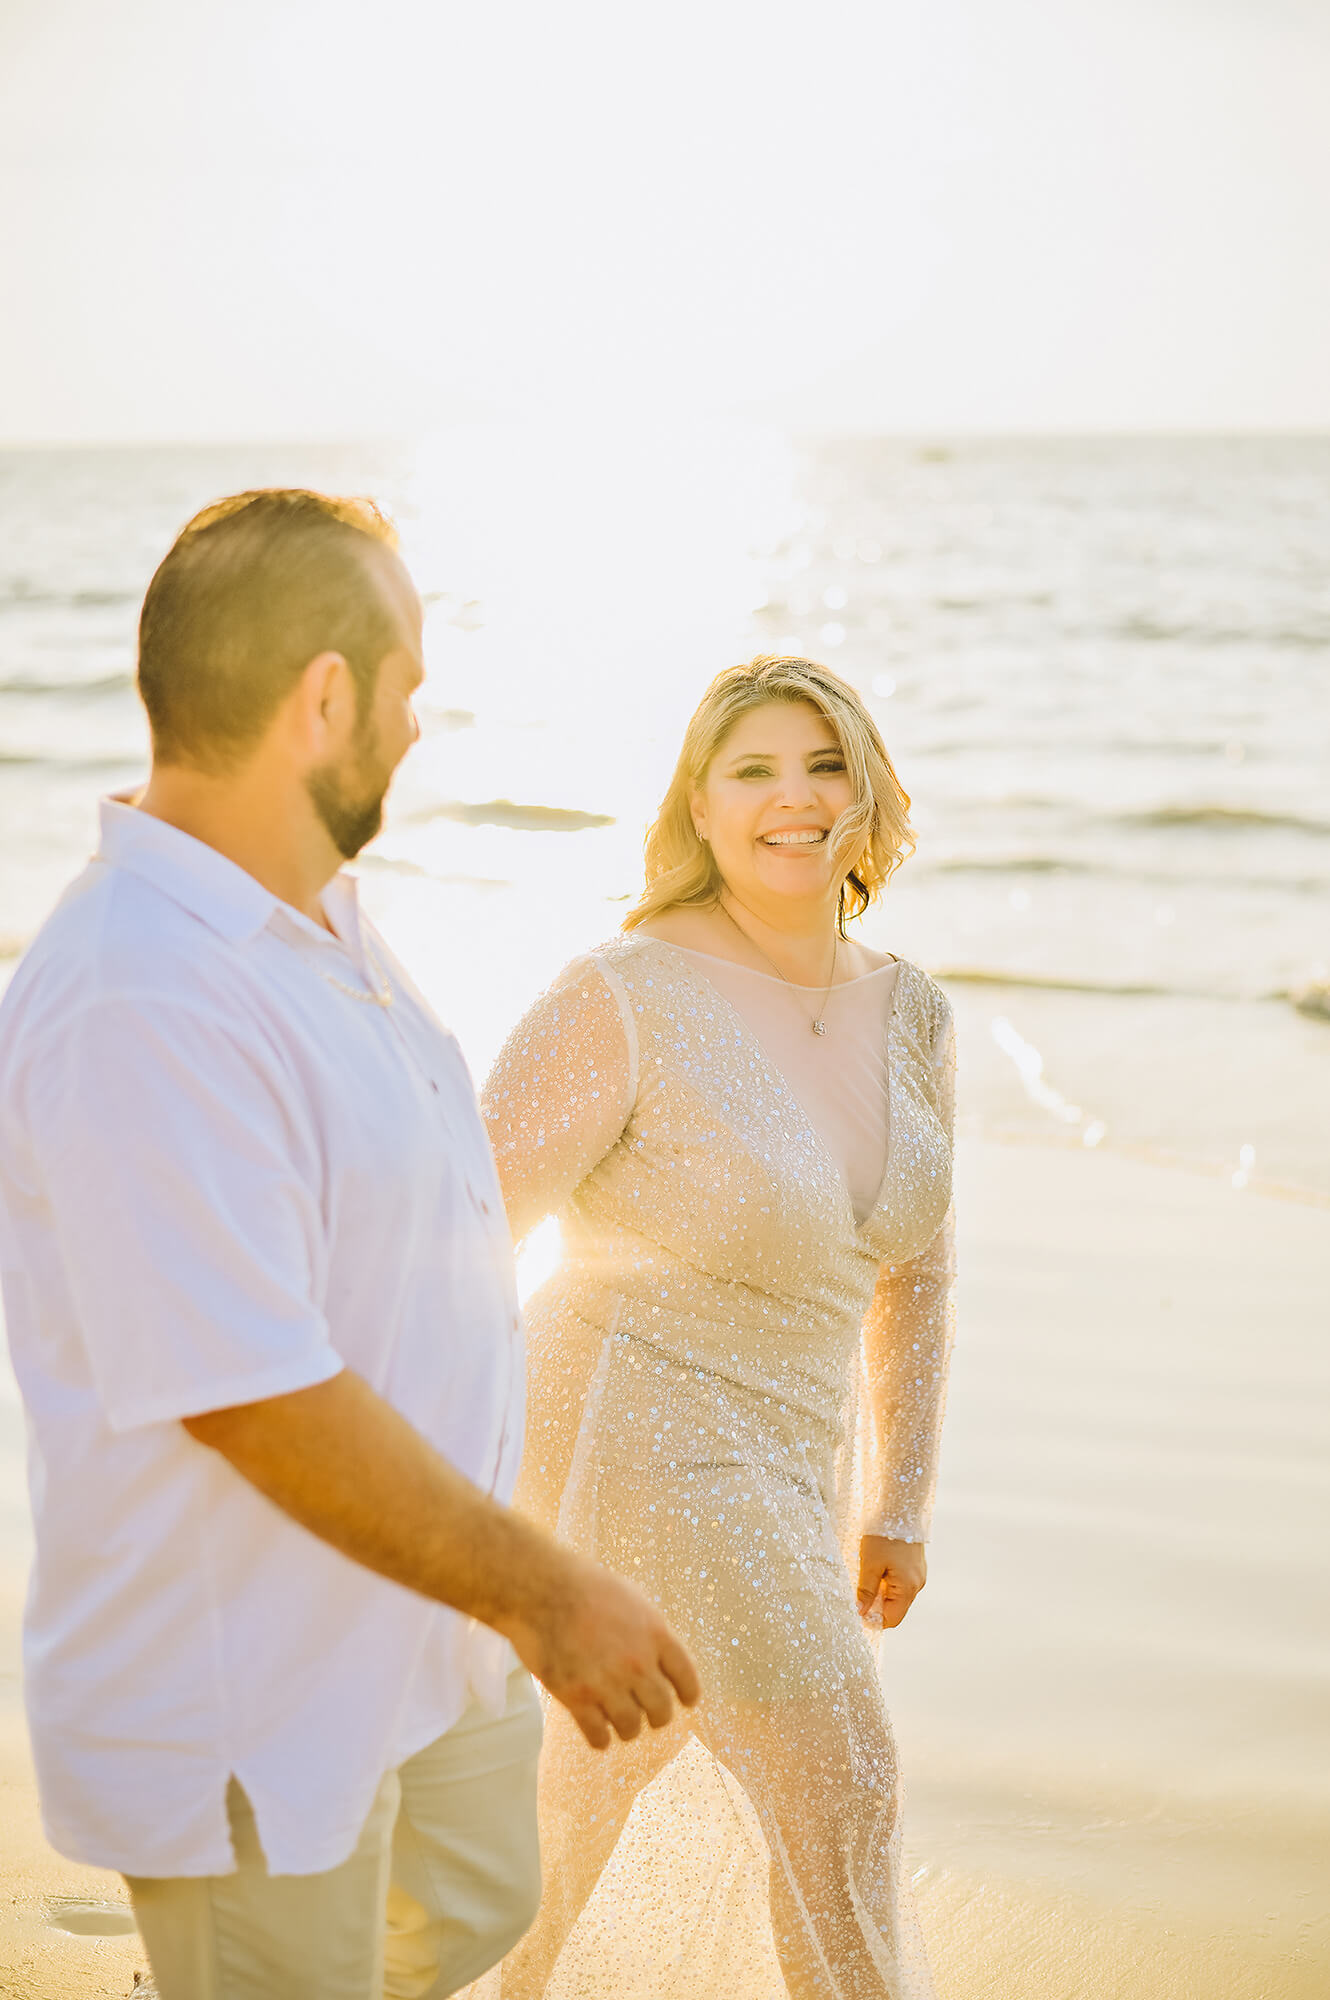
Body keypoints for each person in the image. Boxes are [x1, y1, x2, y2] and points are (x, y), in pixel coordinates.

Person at [0, 490, 698, 2000]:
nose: (418, 730)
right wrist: (542, 1589)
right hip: (252, 1696)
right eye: (407, 693)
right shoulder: (142, 997)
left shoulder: (314, 918)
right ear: (325, 699)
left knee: (475, 1895)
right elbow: (245, 1393)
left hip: (407, 1639)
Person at [479, 656, 955, 1999]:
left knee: (576, 1799)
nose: (792, 798)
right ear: (697, 805)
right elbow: (461, 1225)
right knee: (844, 1781)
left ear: (867, 792)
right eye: (752, 769)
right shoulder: (621, 991)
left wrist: (897, 1500)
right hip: (634, 1426)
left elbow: (915, 1274)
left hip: (796, 1458)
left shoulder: (911, 1011)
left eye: (822, 764)